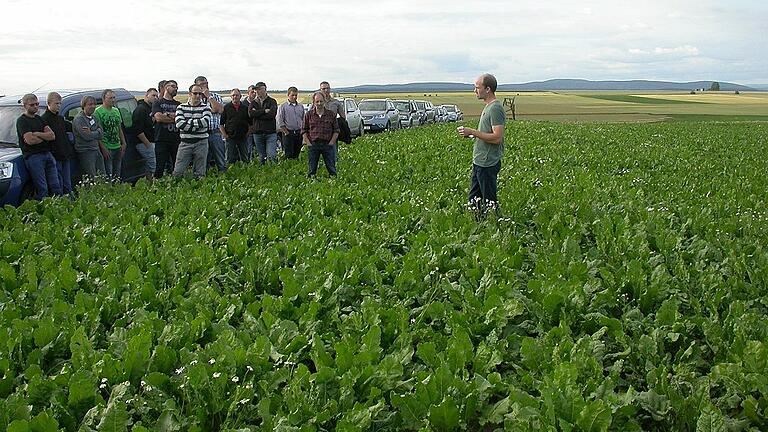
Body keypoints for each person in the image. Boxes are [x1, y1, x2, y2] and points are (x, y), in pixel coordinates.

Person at [457, 73, 506, 217]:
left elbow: (497, 137)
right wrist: (471, 135)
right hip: (479, 160)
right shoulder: (488, 107)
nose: (475, 91)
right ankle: (478, 227)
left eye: (477, 87)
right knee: (474, 200)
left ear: (488, 89)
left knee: (490, 201)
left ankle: (496, 226)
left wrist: (473, 131)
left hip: (487, 162)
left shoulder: (495, 108)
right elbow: (487, 134)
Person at [15, 94, 62, 199]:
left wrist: (37, 134)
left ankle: (58, 207)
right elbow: (30, 140)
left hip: (47, 154)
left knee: (56, 185)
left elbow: (52, 135)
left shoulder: (39, 119)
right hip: (33, 156)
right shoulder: (22, 121)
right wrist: (43, 137)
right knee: (42, 187)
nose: (35, 107)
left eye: (37, 104)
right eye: (32, 105)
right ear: (25, 106)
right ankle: (43, 209)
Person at [173, 84, 211, 178]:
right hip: (185, 143)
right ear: (190, 94)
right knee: (178, 171)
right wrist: (197, 126)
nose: (198, 96)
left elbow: (205, 122)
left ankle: (199, 191)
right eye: (195, 93)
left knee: (200, 173)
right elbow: (179, 124)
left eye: (200, 94)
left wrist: (188, 122)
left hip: (201, 143)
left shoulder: (206, 107)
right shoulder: (181, 107)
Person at [41, 92, 75, 194]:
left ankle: (69, 201)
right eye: (56, 103)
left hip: (65, 154)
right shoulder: (44, 119)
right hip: (54, 155)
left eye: (60, 103)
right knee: (58, 183)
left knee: (67, 183)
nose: (59, 106)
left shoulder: (60, 118)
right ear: (49, 103)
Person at [302, 91, 339, 178]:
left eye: (321, 101)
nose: (319, 103)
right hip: (313, 144)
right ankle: (311, 184)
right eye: (317, 101)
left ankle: (334, 183)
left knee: (332, 169)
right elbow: (304, 130)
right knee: (312, 169)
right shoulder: (308, 115)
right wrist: (308, 143)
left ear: (324, 101)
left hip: (328, 144)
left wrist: (332, 142)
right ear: (313, 102)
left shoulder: (331, 114)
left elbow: (336, 130)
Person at [195, 76, 226, 173]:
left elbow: (220, 110)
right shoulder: (196, 98)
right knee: (202, 159)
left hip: (215, 132)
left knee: (220, 158)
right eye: (202, 84)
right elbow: (197, 112)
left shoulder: (215, 96)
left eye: (206, 83)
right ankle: (203, 178)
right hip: (201, 133)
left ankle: (223, 176)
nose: (205, 86)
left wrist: (209, 97)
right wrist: (211, 110)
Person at [94, 89, 127, 179]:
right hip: (107, 146)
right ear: (104, 99)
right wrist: (103, 147)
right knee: (109, 173)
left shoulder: (116, 111)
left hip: (117, 145)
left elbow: (119, 128)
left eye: (114, 98)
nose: (113, 100)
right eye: (110, 98)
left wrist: (123, 143)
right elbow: (97, 132)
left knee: (117, 173)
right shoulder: (98, 112)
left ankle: (117, 190)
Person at [152, 80, 181, 178]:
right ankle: (157, 187)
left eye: (176, 87)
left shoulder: (179, 104)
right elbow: (159, 118)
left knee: (177, 166)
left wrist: (167, 114)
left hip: (176, 139)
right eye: (173, 86)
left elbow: (181, 119)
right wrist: (174, 117)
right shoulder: (157, 103)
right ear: (166, 88)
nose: (175, 89)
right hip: (161, 139)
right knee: (160, 166)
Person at [73, 95, 107, 178]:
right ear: (84, 105)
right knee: (92, 177)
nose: (93, 106)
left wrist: (92, 132)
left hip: (96, 149)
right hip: (86, 151)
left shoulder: (94, 118)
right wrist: (96, 132)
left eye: (94, 104)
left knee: (102, 175)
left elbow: (102, 134)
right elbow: (86, 136)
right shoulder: (79, 119)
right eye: (90, 104)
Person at [248, 81, 278, 164]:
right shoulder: (253, 102)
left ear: (265, 89)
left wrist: (257, 113)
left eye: (259, 89)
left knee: (272, 155)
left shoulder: (272, 101)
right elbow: (250, 114)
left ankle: (274, 172)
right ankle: (263, 173)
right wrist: (264, 111)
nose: (257, 91)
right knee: (261, 157)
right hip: (257, 133)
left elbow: (271, 115)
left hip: (270, 133)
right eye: (256, 90)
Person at [131, 88, 159, 179]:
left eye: (156, 96)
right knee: (153, 165)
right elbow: (137, 130)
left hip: (151, 141)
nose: (155, 98)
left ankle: (149, 184)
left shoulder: (149, 108)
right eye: (153, 95)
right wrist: (147, 144)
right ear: (146, 96)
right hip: (143, 143)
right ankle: (154, 185)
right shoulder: (141, 109)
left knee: (149, 166)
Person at [219, 88, 251, 164]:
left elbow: (250, 123)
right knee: (230, 158)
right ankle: (230, 172)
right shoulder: (226, 107)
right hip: (230, 137)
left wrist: (248, 133)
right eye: (233, 95)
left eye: (237, 95)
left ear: (240, 96)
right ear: (231, 96)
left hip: (242, 136)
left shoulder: (245, 108)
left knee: (245, 157)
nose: (235, 97)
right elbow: (221, 123)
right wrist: (225, 135)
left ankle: (247, 172)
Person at [276, 86, 304, 159]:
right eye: (292, 95)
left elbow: (303, 119)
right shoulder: (283, 106)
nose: (294, 97)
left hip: (298, 133)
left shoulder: (300, 106)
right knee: (288, 154)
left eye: (296, 95)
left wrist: (302, 131)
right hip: (288, 133)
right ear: (288, 95)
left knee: (297, 153)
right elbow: (280, 120)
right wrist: (286, 132)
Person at [321, 81, 351, 147]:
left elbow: (343, 117)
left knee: (333, 153)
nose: (326, 90)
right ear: (320, 90)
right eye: (323, 89)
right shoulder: (316, 103)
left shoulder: (336, 102)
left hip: (333, 132)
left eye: (328, 88)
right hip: (320, 132)